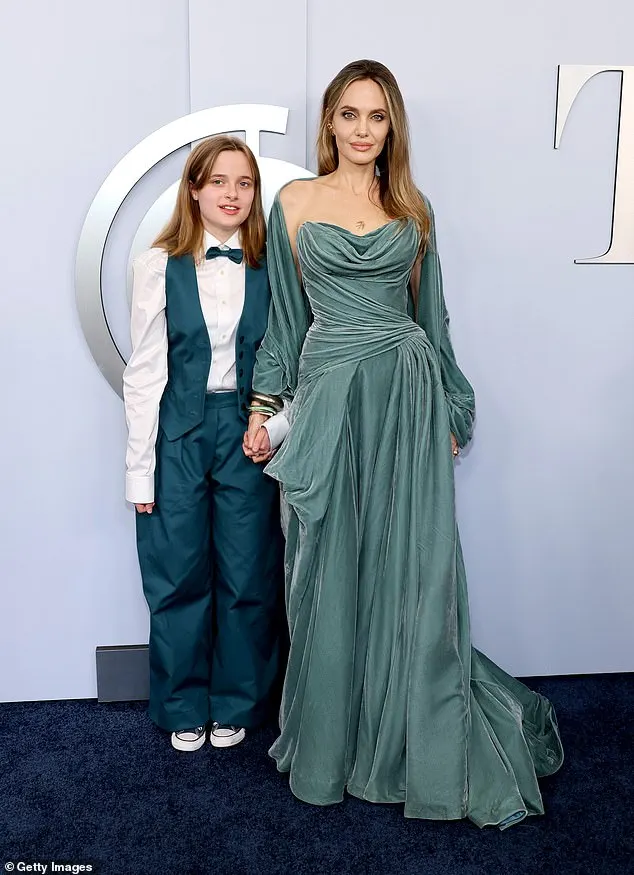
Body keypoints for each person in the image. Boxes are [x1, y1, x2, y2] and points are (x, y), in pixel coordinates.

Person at [243, 60, 563, 828]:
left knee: (410, 570)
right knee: (324, 567)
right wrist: (264, 407)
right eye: (349, 114)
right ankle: (331, 742)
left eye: (376, 117)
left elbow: (432, 317)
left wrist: (452, 405)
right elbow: (285, 324)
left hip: (407, 395)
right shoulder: (292, 202)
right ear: (328, 123)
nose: (361, 129)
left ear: (393, 128)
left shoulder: (413, 208)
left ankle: (406, 733)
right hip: (328, 398)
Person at [123, 135, 287, 752]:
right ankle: (182, 703)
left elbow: (291, 361)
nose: (232, 194)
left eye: (243, 183)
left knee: (248, 574)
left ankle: (238, 700)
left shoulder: (276, 267)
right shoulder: (157, 265)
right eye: (218, 181)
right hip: (178, 431)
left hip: (248, 432)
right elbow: (142, 373)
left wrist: (273, 426)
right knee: (176, 574)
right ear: (193, 189)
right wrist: (139, 474)